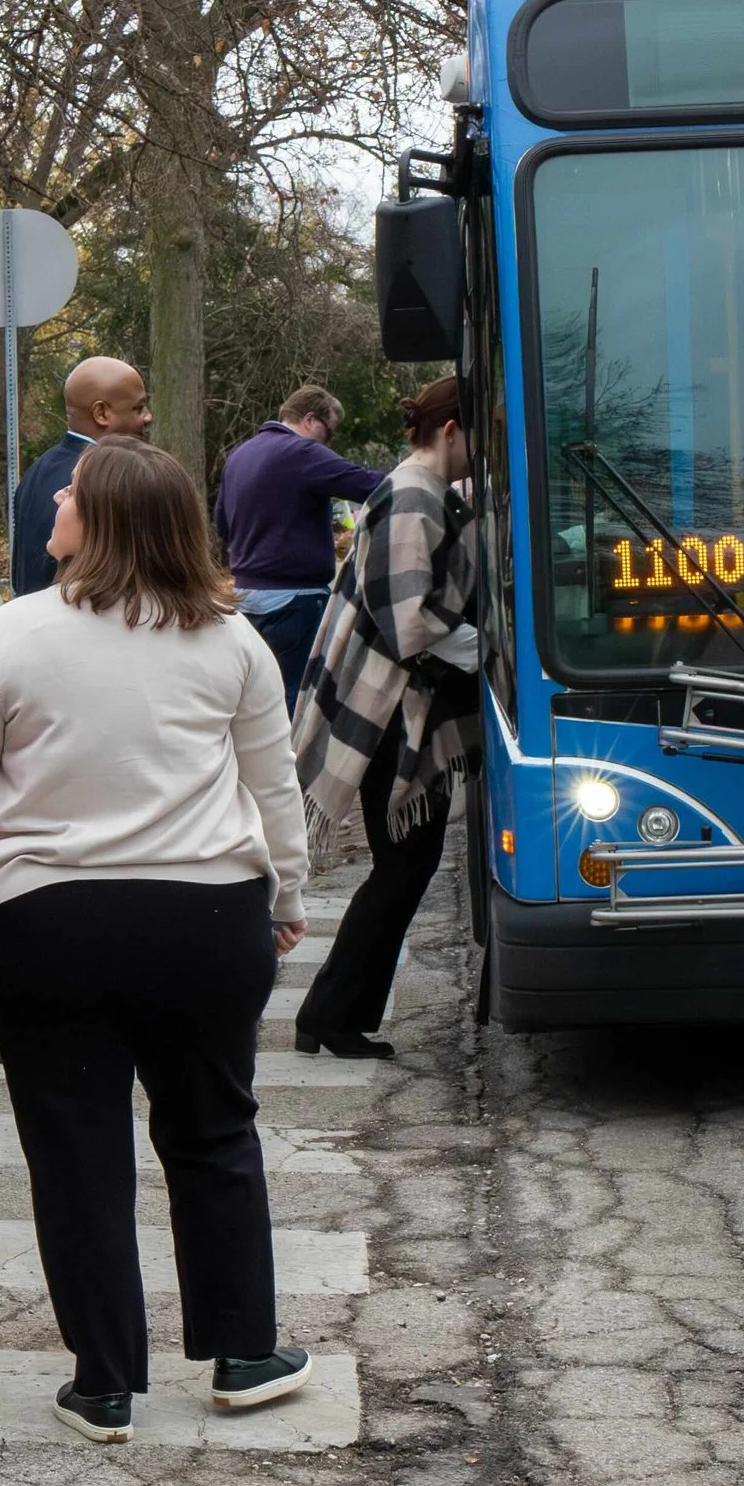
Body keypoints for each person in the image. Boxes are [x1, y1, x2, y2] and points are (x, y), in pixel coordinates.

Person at [0, 434, 312, 1446]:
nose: (51, 509)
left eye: (67, 499)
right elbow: (274, 791)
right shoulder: (230, 644)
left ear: (98, 523)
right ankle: (242, 1350)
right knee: (214, 1129)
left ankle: (103, 1382)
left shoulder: (5, 640)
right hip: (204, 916)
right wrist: (285, 899)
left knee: (74, 1147)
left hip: (45, 925)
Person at [290, 374, 480, 1062]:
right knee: (402, 868)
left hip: (391, 709)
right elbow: (407, 625)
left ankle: (334, 1014)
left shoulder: (422, 492)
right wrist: (491, 651)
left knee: (405, 867)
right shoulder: (413, 496)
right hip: (391, 713)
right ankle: (330, 1014)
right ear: (451, 430)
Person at [214, 383, 389, 708]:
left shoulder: (239, 456)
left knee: (256, 700)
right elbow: (372, 486)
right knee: (296, 700)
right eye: (328, 432)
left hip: (246, 599)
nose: (329, 443)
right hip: (296, 602)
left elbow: (223, 525)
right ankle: (295, 761)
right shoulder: (302, 452)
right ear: (310, 420)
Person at [9, 353, 150, 594]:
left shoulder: (36, 471)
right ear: (101, 413)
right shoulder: (105, 480)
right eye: (138, 408)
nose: (148, 417)